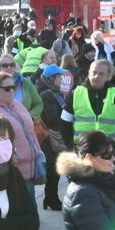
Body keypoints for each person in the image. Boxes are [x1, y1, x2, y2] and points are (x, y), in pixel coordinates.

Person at [62, 58, 115, 151]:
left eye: (101, 74)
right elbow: (64, 123)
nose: (96, 76)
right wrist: (71, 146)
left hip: (107, 152)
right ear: (89, 73)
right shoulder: (75, 94)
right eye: (94, 73)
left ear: (108, 76)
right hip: (81, 151)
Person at [0, 71, 43, 181]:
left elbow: (31, 132)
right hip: (13, 174)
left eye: (13, 87)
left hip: (31, 169)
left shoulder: (17, 104)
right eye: (7, 88)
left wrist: (38, 153)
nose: (11, 91)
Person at [35, 64, 72, 210]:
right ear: (52, 78)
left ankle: (49, 199)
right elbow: (53, 119)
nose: (61, 79)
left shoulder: (50, 92)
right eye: (59, 76)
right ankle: (51, 199)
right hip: (51, 138)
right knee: (53, 170)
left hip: (50, 138)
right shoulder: (48, 94)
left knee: (54, 170)